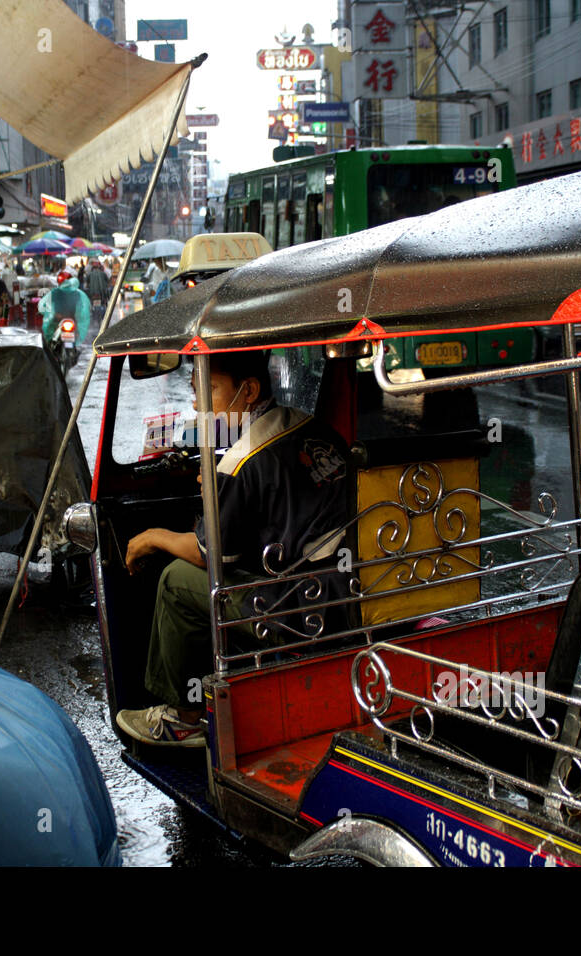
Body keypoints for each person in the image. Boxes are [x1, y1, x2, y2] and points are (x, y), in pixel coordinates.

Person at [115, 351, 349, 746]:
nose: (197, 404)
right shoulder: (312, 427)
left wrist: (151, 536)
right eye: (194, 393)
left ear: (250, 391)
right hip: (350, 591)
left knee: (175, 580)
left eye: (209, 391)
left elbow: (210, 556)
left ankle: (184, 718)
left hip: (302, 613)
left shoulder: (239, 462)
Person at [39, 270, 90, 351]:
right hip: (70, 320)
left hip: (58, 320)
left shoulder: (54, 292)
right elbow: (83, 308)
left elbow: (42, 306)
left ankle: (51, 350)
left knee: (49, 339)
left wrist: (47, 313)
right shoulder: (78, 293)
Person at [84, 259, 112, 328]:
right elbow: (108, 283)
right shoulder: (103, 273)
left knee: (92, 306)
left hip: (93, 295)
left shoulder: (89, 274)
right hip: (102, 295)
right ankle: (104, 320)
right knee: (104, 305)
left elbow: (86, 285)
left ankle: (95, 318)